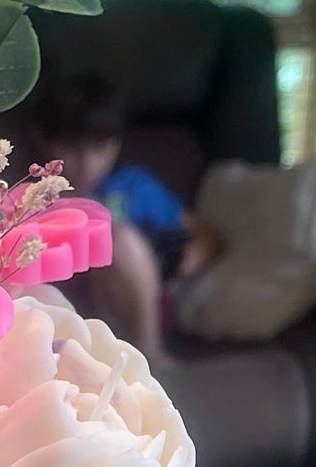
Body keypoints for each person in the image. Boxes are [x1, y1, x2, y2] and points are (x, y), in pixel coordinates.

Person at [25, 72, 218, 358]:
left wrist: (200, 249)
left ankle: (151, 352)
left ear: (115, 144)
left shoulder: (133, 186)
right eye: (71, 148)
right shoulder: (32, 197)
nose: (87, 163)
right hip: (69, 312)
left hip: (134, 307)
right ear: (41, 139)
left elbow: (204, 232)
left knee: (118, 237)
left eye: (99, 149)